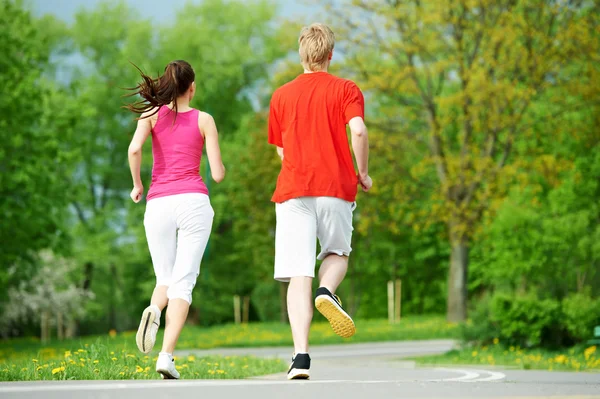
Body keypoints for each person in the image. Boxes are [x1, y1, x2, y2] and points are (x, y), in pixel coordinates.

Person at [268, 23, 372, 380]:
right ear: (330, 54)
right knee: (337, 253)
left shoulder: (281, 95)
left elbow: (281, 149)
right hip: (335, 187)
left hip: (293, 191)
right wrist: (364, 172)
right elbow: (357, 129)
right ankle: (327, 291)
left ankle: (300, 358)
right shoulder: (346, 89)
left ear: (301, 54)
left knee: (299, 272)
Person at [125, 60, 225, 379]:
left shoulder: (150, 115)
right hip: (193, 201)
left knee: (164, 280)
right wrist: (215, 168)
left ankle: (155, 308)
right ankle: (166, 357)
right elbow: (219, 175)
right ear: (191, 88)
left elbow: (134, 150)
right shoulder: (205, 120)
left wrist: (137, 184)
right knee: (184, 282)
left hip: (158, 204)